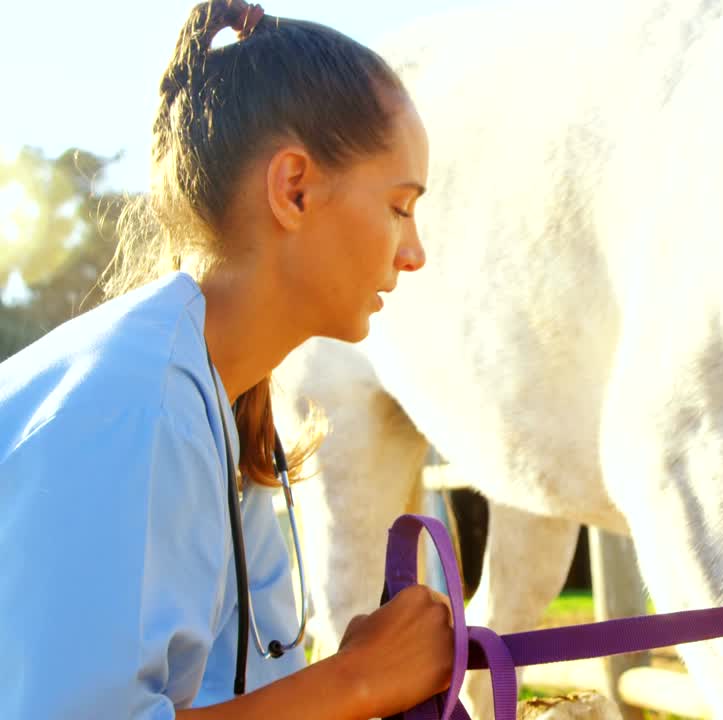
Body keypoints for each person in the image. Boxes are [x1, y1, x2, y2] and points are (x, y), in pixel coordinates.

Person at [0, 2, 455, 717]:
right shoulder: (139, 410)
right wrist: (360, 680)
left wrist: (360, 681)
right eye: (400, 207)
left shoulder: (221, 409)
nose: (414, 252)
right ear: (294, 189)